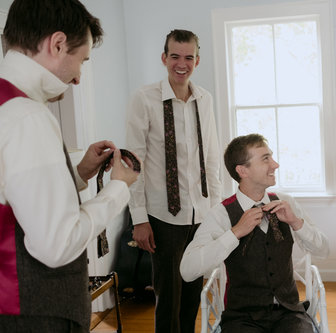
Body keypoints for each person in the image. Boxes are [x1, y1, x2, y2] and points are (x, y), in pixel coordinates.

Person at [0, 0, 140, 331]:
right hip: (36, 314)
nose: (77, 79)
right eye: (81, 61)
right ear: (58, 44)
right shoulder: (27, 117)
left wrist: (79, 174)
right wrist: (118, 188)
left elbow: (11, 198)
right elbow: (56, 245)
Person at [125, 29, 224, 333]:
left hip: (201, 215)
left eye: (189, 57)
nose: (182, 63)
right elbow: (133, 163)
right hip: (162, 217)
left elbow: (210, 156)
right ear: (164, 58)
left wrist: (217, 211)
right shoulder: (144, 98)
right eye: (175, 56)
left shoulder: (204, 99)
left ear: (197, 60)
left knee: (192, 294)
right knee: (168, 299)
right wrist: (139, 219)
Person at [180, 133, 329, 332]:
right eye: (266, 159)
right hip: (242, 318)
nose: (275, 165)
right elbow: (187, 271)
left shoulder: (286, 202)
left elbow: (324, 250)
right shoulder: (221, 214)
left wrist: (295, 222)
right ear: (243, 170)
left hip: (289, 314)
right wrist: (234, 233)